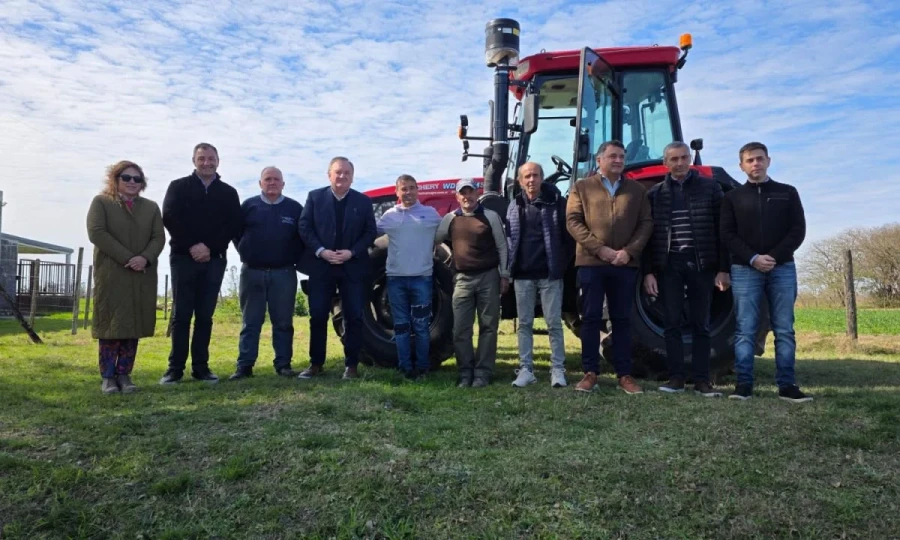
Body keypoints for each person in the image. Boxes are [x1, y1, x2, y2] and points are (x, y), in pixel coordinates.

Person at [720, 142, 811, 402]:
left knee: (784, 328)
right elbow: (727, 234)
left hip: (781, 268)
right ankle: (744, 385)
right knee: (745, 328)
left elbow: (797, 230)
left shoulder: (787, 193)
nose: (755, 164)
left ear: (768, 161)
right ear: (742, 166)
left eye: (759, 159)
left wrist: (773, 257)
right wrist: (752, 258)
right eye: (749, 160)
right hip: (745, 269)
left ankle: (787, 385)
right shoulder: (732, 198)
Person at [642, 142, 731, 397]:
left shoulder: (710, 188)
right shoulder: (656, 194)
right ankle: (677, 378)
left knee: (701, 323)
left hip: (701, 263)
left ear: (690, 159)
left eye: (683, 158)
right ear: (665, 164)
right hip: (669, 264)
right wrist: (649, 271)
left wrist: (723, 269)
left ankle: (702, 380)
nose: (679, 163)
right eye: (674, 159)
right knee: (671, 323)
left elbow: (722, 232)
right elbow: (650, 236)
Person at [566, 140, 652, 394]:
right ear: (599, 160)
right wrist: (599, 249)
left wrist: (629, 252)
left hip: (624, 264)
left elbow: (646, 223)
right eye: (613, 156)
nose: (618, 160)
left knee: (623, 320)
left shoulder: (637, 190)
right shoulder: (581, 187)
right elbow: (573, 221)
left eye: (622, 156)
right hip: (592, 263)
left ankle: (625, 375)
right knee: (591, 318)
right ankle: (590, 372)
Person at [160, 143, 242, 384]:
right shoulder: (178, 187)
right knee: (181, 314)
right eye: (202, 158)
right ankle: (175, 368)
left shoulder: (228, 192)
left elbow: (233, 225)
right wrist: (193, 246)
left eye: (211, 158)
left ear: (218, 160)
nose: (207, 162)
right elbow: (170, 217)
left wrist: (209, 247)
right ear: (194, 161)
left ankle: (201, 367)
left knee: (205, 316)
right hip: (183, 258)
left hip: (214, 260)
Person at [86, 161, 165, 394]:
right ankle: (108, 377)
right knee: (112, 327)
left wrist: (145, 258)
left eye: (137, 179)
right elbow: (96, 232)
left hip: (142, 274)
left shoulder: (150, 208)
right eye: (126, 177)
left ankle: (125, 374)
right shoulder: (101, 203)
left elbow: (158, 237)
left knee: (133, 326)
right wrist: (129, 258)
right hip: (113, 273)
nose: (132, 182)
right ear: (115, 179)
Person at [297, 157, 377, 380]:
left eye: (346, 173)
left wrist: (352, 252)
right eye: (338, 172)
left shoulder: (362, 201)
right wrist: (321, 251)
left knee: (354, 316)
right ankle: (316, 364)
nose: (342, 177)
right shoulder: (315, 197)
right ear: (329, 174)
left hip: (352, 267)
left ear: (352, 176)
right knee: (318, 315)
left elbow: (370, 231)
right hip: (322, 266)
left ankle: (351, 365)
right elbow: (304, 227)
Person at [229, 166, 305, 380]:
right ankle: (244, 366)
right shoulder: (249, 206)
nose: (272, 183)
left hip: (284, 273)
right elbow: (236, 234)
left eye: (276, 179)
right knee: (250, 321)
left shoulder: (294, 209)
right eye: (268, 179)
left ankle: (283, 364)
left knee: (283, 322)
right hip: (252, 272)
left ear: (283, 184)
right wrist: (248, 252)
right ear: (260, 183)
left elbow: (302, 238)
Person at [435, 179, 509, 388]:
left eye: (470, 192)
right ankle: (465, 372)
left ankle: (483, 373)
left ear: (477, 194)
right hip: (462, 279)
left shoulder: (490, 217)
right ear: (457, 197)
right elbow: (435, 239)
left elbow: (502, 247)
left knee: (488, 327)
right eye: (462, 193)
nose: (467, 197)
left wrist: (505, 275)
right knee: (460, 329)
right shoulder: (450, 219)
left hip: (488, 277)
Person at [506, 162, 572, 388]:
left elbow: (568, 237)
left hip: (549, 274)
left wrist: (560, 264)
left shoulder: (557, 203)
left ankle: (558, 369)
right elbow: (510, 238)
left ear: (542, 178)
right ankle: (526, 369)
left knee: (553, 322)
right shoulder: (514, 205)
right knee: (524, 323)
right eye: (526, 176)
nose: (531, 180)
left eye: (535, 175)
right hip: (523, 275)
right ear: (520, 181)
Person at [376, 174, 442, 380]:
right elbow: (370, 235)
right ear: (397, 192)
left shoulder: (430, 214)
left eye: (412, 188)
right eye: (404, 189)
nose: (409, 192)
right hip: (396, 279)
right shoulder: (388, 216)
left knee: (422, 326)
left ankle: (422, 367)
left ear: (418, 190)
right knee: (402, 326)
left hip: (421, 278)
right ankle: (405, 367)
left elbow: (448, 231)